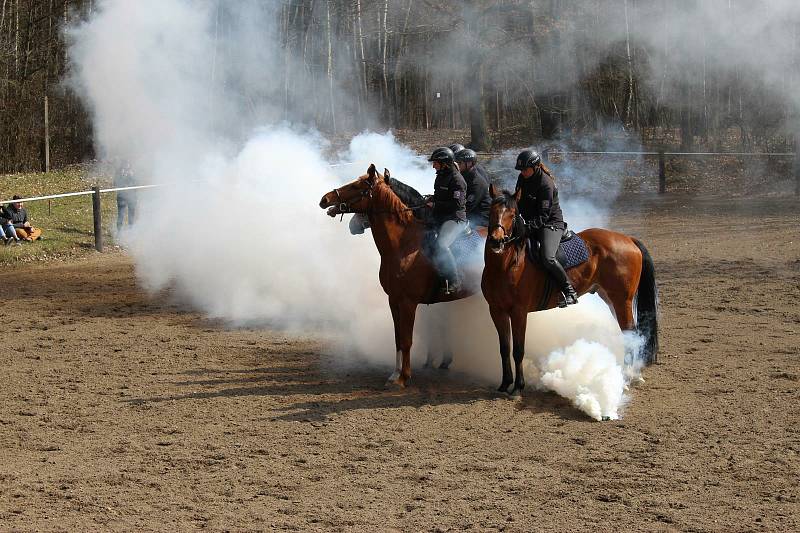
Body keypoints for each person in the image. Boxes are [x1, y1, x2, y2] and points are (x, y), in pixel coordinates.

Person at [514, 149, 578, 307]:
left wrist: (528, 228)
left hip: (550, 223)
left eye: (525, 169)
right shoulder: (522, 178)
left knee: (548, 258)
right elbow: (518, 201)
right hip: (530, 222)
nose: (522, 172)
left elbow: (543, 215)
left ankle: (569, 290)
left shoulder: (546, 184)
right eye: (521, 169)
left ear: (535, 167)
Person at [428, 146, 467, 293]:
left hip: (455, 219)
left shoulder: (457, 180)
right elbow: (439, 195)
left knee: (442, 244)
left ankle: (455, 280)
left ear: (444, 163)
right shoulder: (440, 176)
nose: (433, 165)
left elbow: (456, 205)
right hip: (441, 216)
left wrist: (436, 204)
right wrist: (432, 199)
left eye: (435, 162)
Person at [454, 148, 491, 227]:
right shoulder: (463, 175)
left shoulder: (477, 183)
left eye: (460, 163)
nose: (457, 165)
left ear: (469, 164)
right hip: (470, 213)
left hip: (481, 219)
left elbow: (468, 206)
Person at [114, 159, 137, 231]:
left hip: (132, 196)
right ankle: (119, 232)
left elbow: (137, 184)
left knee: (131, 214)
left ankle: (131, 230)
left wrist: (132, 176)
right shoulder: (118, 172)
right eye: (125, 164)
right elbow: (115, 183)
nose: (126, 166)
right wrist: (121, 176)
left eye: (128, 164)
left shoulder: (133, 172)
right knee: (121, 215)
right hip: (121, 196)